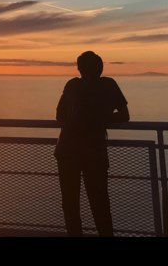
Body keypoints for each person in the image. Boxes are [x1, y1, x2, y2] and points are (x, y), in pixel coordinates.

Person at [54, 50, 129, 236]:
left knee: (70, 204)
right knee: (100, 203)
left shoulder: (72, 85)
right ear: (100, 67)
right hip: (94, 152)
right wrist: (101, 118)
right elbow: (124, 116)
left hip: (67, 150)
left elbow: (59, 115)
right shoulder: (108, 85)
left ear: (79, 68)